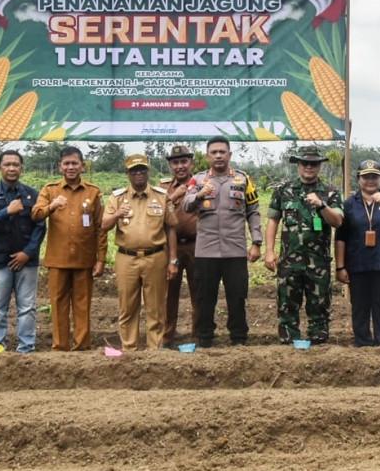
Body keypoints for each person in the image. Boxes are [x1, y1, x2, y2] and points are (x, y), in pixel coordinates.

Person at [183, 136, 262, 347]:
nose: (218, 155)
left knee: (237, 298)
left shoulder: (243, 179)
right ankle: (205, 338)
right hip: (206, 251)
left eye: (222, 152)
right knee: (205, 298)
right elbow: (186, 205)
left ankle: (238, 338)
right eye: (214, 152)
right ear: (208, 156)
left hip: (235, 250)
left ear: (230, 155)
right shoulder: (198, 180)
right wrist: (200, 195)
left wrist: (256, 242)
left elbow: (253, 212)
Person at [264, 146, 343, 344]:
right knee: (287, 305)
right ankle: (289, 342)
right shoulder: (284, 190)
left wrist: (321, 205)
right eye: (305, 163)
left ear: (319, 166)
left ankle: (318, 343)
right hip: (289, 260)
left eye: (314, 163)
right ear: (298, 165)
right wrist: (269, 251)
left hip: (318, 262)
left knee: (319, 305)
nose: (309, 167)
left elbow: (337, 222)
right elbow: (273, 220)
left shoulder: (330, 192)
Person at [31, 146, 107, 351]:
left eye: (75, 163)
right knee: (58, 304)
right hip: (58, 259)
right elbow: (36, 214)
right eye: (67, 163)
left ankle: (81, 346)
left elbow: (101, 227)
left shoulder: (93, 191)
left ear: (82, 166)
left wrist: (101, 259)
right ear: (60, 167)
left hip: (84, 259)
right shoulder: (50, 190)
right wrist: (52, 206)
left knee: (83, 304)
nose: (71, 167)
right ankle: (60, 346)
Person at [102, 154, 179, 350]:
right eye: (133, 171)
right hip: (126, 258)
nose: (138, 174)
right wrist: (118, 213)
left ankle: (155, 350)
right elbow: (103, 225)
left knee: (156, 308)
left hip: (155, 257)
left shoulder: (161, 196)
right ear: (127, 174)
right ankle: (130, 350)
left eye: (142, 170)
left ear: (148, 172)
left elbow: (171, 228)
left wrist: (173, 260)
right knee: (127, 307)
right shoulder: (117, 198)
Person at [0, 149, 45, 354]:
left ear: (21, 168)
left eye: (16, 164)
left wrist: (27, 253)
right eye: (7, 164)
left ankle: (26, 348)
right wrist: (6, 211)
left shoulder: (33, 195)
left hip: (27, 261)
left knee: (28, 308)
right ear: (0, 168)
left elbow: (40, 227)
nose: (12, 168)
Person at [334, 159, 380, 347]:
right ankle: (362, 343)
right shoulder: (349, 204)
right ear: (358, 179)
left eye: (374, 177)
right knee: (360, 306)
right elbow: (341, 237)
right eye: (366, 177)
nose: (370, 180)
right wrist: (340, 266)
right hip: (358, 264)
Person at [159, 145, 199, 349]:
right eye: (175, 162)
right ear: (170, 165)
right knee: (168, 293)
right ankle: (167, 335)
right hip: (170, 247)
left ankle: (198, 336)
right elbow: (156, 212)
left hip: (197, 245)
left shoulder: (202, 183)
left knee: (198, 292)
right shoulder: (162, 187)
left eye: (184, 161)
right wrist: (174, 196)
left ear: (191, 163)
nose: (180, 166)